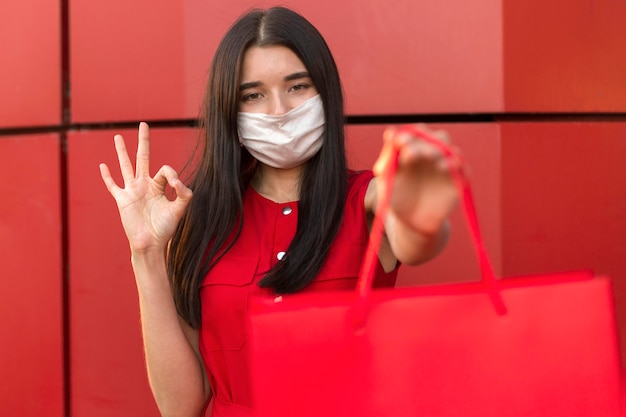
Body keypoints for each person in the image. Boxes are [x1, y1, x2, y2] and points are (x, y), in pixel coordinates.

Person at [99, 6, 458, 417]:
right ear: (228, 111)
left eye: (297, 86)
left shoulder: (368, 197)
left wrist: (422, 205)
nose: (278, 111)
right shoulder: (199, 216)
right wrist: (145, 251)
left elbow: (418, 237)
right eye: (253, 95)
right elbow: (180, 407)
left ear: (325, 90)